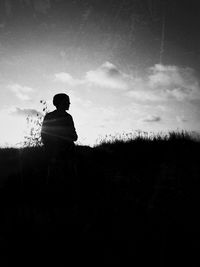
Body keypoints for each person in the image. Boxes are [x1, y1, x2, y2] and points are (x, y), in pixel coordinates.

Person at [41, 93, 78, 162]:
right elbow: (44, 135)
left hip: (67, 153)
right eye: (67, 101)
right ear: (61, 102)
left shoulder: (68, 117)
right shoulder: (50, 116)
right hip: (54, 154)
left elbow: (75, 136)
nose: (69, 103)